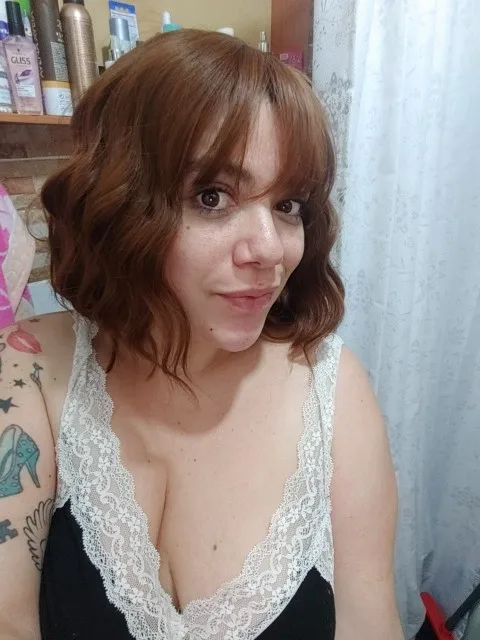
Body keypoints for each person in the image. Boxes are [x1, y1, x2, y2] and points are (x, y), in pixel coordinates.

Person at [0, 30, 403, 640]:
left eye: (288, 205)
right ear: (118, 203)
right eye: (213, 197)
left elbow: (370, 621)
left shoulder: (333, 393)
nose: (269, 250)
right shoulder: (28, 369)